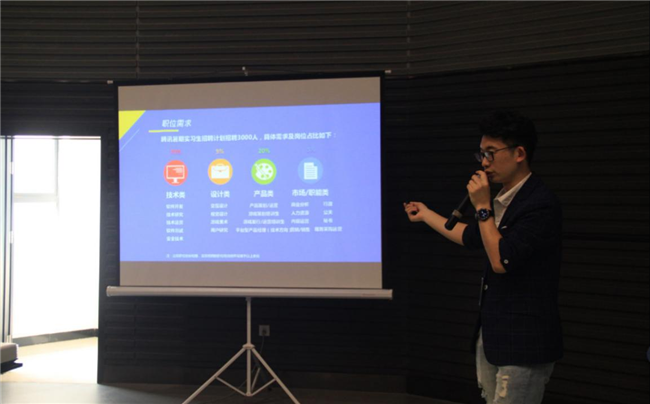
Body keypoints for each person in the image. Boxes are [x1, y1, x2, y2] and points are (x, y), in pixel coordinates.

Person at [404, 110, 563, 404]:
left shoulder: (540, 204)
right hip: (493, 335)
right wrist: (426, 214)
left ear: (519, 153)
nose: (484, 163)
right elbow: (472, 236)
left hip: (523, 342)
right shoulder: (504, 199)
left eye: (491, 153)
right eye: (481, 154)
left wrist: (482, 207)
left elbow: (501, 261)